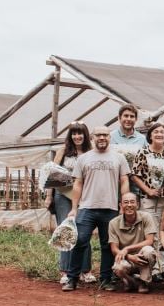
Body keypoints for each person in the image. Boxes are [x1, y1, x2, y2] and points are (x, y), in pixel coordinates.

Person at [62, 126, 130, 291]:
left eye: (105, 135)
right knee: (79, 241)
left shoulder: (119, 158)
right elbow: (77, 184)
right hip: (87, 207)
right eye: (99, 135)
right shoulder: (83, 158)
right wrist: (74, 208)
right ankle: (72, 278)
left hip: (110, 208)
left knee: (108, 245)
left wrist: (124, 204)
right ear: (93, 137)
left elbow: (124, 181)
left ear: (109, 137)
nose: (102, 138)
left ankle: (106, 279)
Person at [44, 121, 94, 285]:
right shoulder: (64, 151)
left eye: (80, 133)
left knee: (83, 232)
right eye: (74, 133)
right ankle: (65, 271)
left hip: (84, 196)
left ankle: (85, 270)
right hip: (63, 195)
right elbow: (53, 175)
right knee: (66, 230)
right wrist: (49, 197)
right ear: (70, 136)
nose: (77, 136)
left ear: (85, 135)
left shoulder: (91, 152)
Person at [108, 192, 157, 293]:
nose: (129, 205)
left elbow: (150, 241)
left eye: (132, 202)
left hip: (142, 256)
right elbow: (114, 249)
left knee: (149, 250)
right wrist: (129, 256)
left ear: (137, 204)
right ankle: (131, 281)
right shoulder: (113, 223)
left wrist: (127, 249)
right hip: (127, 258)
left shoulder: (146, 217)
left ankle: (144, 282)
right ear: (121, 205)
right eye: (126, 202)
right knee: (118, 267)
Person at [132, 122, 164, 223]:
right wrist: (148, 190)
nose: (159, 134)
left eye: (162, 132)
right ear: (150, 135)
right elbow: (135, 175)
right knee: (151, 228)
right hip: (149, 199)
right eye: (156, 132)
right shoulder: (143, 152)